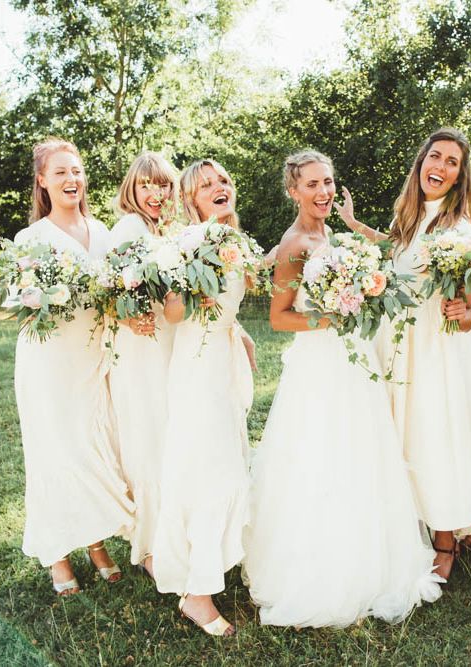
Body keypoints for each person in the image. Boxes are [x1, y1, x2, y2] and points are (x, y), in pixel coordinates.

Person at [243, 150, 442, 628]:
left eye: (328, 182)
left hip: (354, 359)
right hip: (319, 364)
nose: (324, 192)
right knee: (320, 455)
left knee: (361, 453)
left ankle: (368, 558)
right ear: (294, 191)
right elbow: (278, 317)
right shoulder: (294, 244)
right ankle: (320, 571)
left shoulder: (329, 234)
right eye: (312, 185)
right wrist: (333, 315)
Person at [339, 128, 471, 581]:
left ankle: (446, 540)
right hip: (399, 344)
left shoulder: (461, 232)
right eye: (435, 157)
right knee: (403, 436)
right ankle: (410, 527)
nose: (440, 167)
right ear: (421, 162)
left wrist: (460, 309)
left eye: (451, 162)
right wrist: (353, 224)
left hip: (437, 352)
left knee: (434, 436)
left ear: (460, 177)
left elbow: (468, 316)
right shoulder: (412, 217)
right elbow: (394, 248)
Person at [14, 137, 135, 595]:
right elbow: (22, 304)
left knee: (95, 449)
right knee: (54, 454)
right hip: (48, 364)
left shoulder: (103, 232)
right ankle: (57, 555)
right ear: (42, 181)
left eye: (77, 170)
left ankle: (96, 542)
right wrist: (41, 293)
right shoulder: (31, 239)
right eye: (60, 172)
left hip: (95, 358)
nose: (71, 179)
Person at [152, 159, 256, 636]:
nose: (220, 188)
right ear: (191, 198)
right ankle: (197, 594)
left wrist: (241, 332)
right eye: (207, 184)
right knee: (212, 473)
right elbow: (173, 313)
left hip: (223, 363)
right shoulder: (183, 245)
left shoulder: (234, 242)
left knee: (227, 467)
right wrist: (195, 281)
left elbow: (227, 309)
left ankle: (203, 573)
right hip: (196, 369)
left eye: (224, 181)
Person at [107, 152, 178, 578]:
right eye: (147, 185)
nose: (156, 193)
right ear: (132, 190)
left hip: (167, 344)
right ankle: (149, 546)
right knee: (148, 441)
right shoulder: (128, 230)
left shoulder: (165, 230)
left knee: (168, 439)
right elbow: (107, 288)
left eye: (164, 185)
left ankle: (168, 532)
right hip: (140, 350)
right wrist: (126, 313)